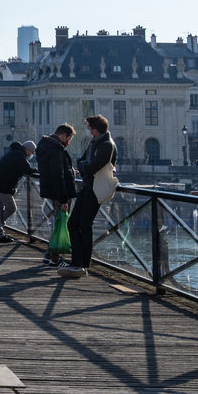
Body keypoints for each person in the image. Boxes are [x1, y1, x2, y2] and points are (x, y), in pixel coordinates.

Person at [62, 115, 117, 279]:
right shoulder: (95, 142)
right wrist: (84, 165)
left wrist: (83, 166)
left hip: (95, 189)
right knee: (75, 224)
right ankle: (79, 262)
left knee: (83, 225)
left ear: (95, 129)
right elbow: (82, 161)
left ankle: (81, 264)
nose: (87, 130)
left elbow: (90, 167)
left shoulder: (106, 145)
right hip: (88, 187)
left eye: (89, 127)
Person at [37, 124, 78, 267]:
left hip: (51, 191)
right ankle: (54, 258)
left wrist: (70, 171)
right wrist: (64, 199)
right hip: (60, 193)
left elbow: (56, 171)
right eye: (69, 138)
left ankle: (49, 255)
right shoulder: (56, 150)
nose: (69, 142)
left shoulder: (46, 147)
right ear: (64, 135)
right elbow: (57, 176)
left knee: (58, 223)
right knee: (61, 225)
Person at [0, 140, 36, 244]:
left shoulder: (13, 152)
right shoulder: (19, 155)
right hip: (2, 186)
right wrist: (37, 170)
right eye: (31, 152)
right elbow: (27, 169)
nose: (31, 155)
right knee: (11, 208)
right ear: (27, 150)